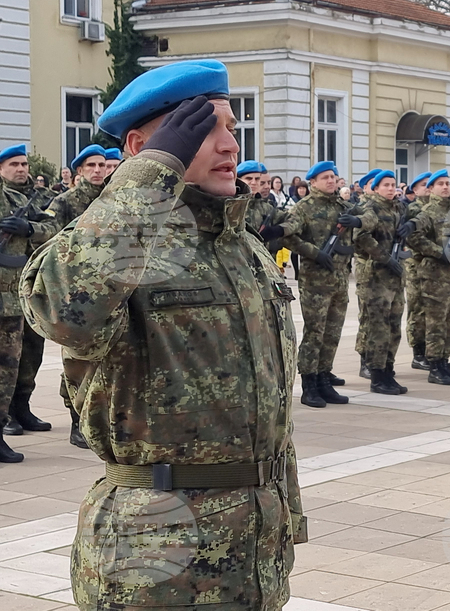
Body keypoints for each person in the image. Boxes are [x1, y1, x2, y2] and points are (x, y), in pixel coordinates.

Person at [21, 59, 307, 610]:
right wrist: (152, 173)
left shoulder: (241, 245)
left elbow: (268, 406)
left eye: (232, 128)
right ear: (141, 147)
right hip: (156, 547)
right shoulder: (121, 246)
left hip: (253, 546)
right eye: (202, 129)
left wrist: (283, 516)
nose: (230, 146)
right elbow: (61, 311)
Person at [262, 161, 350, 407]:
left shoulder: (342, 206)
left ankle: (324, 378)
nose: (331, 181)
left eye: (333, 176)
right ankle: (309, 384)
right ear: (312, 183)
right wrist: (314, 253)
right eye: (325, 178)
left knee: (332, 332)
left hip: (340, 279)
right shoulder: (305, 207)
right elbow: (290, 234)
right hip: (316, 280)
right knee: (315, 332)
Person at [44, 143, 108, 447]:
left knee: (106, 358)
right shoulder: (65, 202)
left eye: (103, 165)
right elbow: (52, 243)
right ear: (79, 171)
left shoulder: (113, 200)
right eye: (92, 166)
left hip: (109, 289)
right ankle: (75, 420)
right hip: (76, 292)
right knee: (75, 359)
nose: (99, 171)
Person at [0, 145, 56, 441]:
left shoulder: (34, 199)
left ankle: (21, 407)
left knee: (31, 354)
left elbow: (56, 227)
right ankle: (6, 415)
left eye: (24, 164)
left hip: (31, 289)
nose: (21, 169)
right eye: (13, 164)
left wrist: (29, 229)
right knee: (6, 362)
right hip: (5, 293)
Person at [409, 170, 450, 384]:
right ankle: (434, 365)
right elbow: (413, 236)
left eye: (447, 183)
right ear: (431, 188)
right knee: (436, 323)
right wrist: (438, 252)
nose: (445, 187)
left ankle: (444, 361)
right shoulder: (428, 211)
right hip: (434, 277)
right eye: (440, 184)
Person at [352, 170, 409, 393]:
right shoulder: (371, 207)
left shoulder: (397, 208)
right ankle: (377, 375)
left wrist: (409, 228)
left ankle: (388, 370)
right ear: (375, 188)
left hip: (394, 278)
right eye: (386, 185)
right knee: (378, 328)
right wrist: (385, 258)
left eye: (393, 184)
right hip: (376, 277)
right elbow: (361, 237)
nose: (391, 188)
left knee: (394, 326)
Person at [403, 171, 432, 370]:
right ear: (415, 190)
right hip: (416, 266)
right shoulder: (412, 209)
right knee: (417, 310)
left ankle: (431, 350)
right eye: (424, 185)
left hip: (435, 269)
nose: (428, 188)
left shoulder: (439, 208)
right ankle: (418, 353)